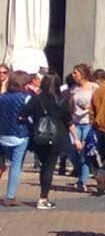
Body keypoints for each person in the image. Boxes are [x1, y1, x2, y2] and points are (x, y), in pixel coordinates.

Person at [24, 72, 68, 210]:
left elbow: (23, 114)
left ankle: (43, 196)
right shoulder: (61, 100)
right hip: (56, 137)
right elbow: (68, 119)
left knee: (44, 166)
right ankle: (43, 198)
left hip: (40, 136)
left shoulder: (37, 99)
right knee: (49, 167)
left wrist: (32, 126)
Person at [0, 71, 35, 206]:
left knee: (2, 164)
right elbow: (32, 117)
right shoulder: (26, 98)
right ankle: (9, 196)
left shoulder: (2, 97)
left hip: (3, 134)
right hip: (20, 134)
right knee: (15, 165)